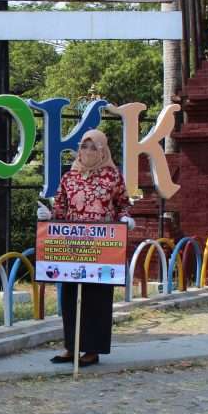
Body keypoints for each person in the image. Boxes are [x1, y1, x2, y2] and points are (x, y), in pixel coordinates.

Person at [38, 129, 134, 368]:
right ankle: (71, 346)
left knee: (97, 297)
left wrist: (125, 219)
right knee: (70, 296)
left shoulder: (112, 176)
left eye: (94, 147)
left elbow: (123, 204)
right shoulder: (69, 177)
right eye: (84, 146)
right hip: (72, 245)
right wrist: (48, 216)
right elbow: (60, 207)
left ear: (103, 150)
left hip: (102, 247)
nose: (88, 152)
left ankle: (92, 349)